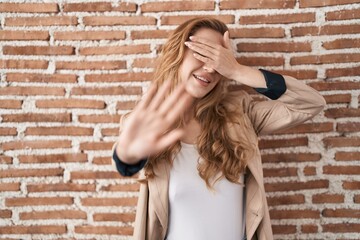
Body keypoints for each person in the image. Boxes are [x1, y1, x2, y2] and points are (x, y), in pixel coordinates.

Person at [112, 17, 326, 240]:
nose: (210, 67)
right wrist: (126, 157)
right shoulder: (147, 122)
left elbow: (310, 103)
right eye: (203, 53)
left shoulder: (240, 115)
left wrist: (237, 71)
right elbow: (125, 159)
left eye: (219, 59)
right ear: (178, 53)